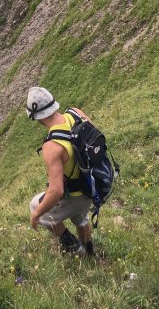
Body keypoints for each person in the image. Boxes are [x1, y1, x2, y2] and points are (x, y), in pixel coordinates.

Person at [27, 86, 95, 256]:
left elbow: (56, 191)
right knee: (80, 217)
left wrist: (36, 215)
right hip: (92, 185)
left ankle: (74, 248)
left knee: (35, 205)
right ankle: (89, 251)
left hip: (76, 195)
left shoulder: (52, 147)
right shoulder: (76, 113)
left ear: (38, 117)